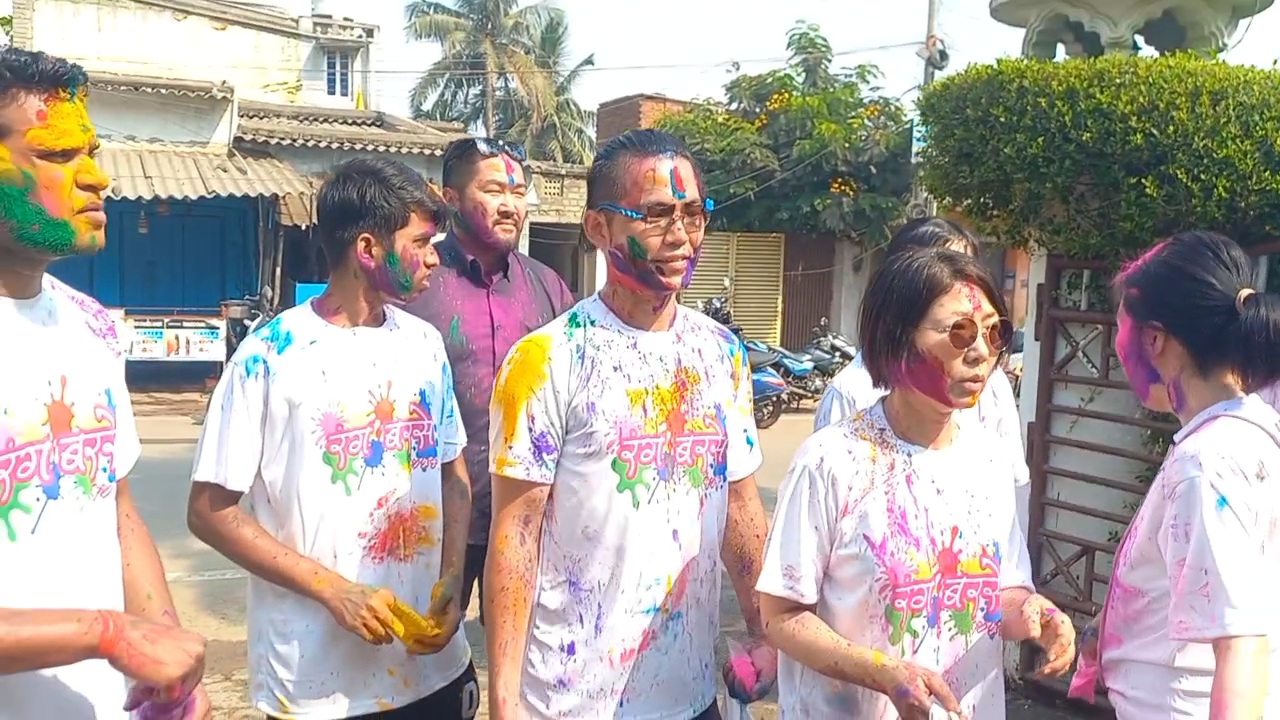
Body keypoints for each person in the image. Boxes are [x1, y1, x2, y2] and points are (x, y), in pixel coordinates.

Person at [484, 128, 776, 720]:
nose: (680, 235)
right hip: (570, 700)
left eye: (693, 213)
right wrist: (505, 698)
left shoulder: (721, 353)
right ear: (599, 229)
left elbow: (741, 505)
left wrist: (765, 628)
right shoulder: (546, 360)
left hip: (691, 696)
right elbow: (515, 535)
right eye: (656, 214)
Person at [186, 158, 479, 720]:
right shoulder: (270, 356)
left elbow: (453, 475)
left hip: (434, 668)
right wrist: (333, 589)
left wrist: (449, 582)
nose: (437, 258)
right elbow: (209, 511)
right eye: (421, 242)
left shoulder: (424, 344)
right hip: (318, 688)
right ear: (368, 250)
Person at [757, 247, 1075, 720]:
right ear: (896, 338)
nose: (983, 351)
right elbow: (780, 616)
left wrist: (1036, 615)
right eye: (960, 332)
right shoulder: (832, 461)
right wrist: (883, 671)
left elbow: (1000, 594)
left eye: (994, 332)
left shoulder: (989, 457)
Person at [0, 48, 210, 719]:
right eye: (60, 156)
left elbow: (116, 509)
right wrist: (108, 633)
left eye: (92, 152)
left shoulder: (92, 326)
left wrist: (172, 664)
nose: (97, 178)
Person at [1069, 231, 1280, 719]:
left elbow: (1238, 644)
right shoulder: (1250, 429)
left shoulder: (1206, 466)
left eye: (1120, 331)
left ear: (1154, 340)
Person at [404, 137, 573, 626]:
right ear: (450, 198)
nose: (511, 206)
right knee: (428, 650)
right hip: (434, 516)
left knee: (525, 655)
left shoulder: (549, 287)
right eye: (495, 189)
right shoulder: (416, 282)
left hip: (531, 517)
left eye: (519, 193)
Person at [813, 217, 1030, 531]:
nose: (961, 287)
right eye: (939, 268)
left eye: (965, 267)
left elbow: (1013, 489)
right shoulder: (851, 393)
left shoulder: (990, 387)